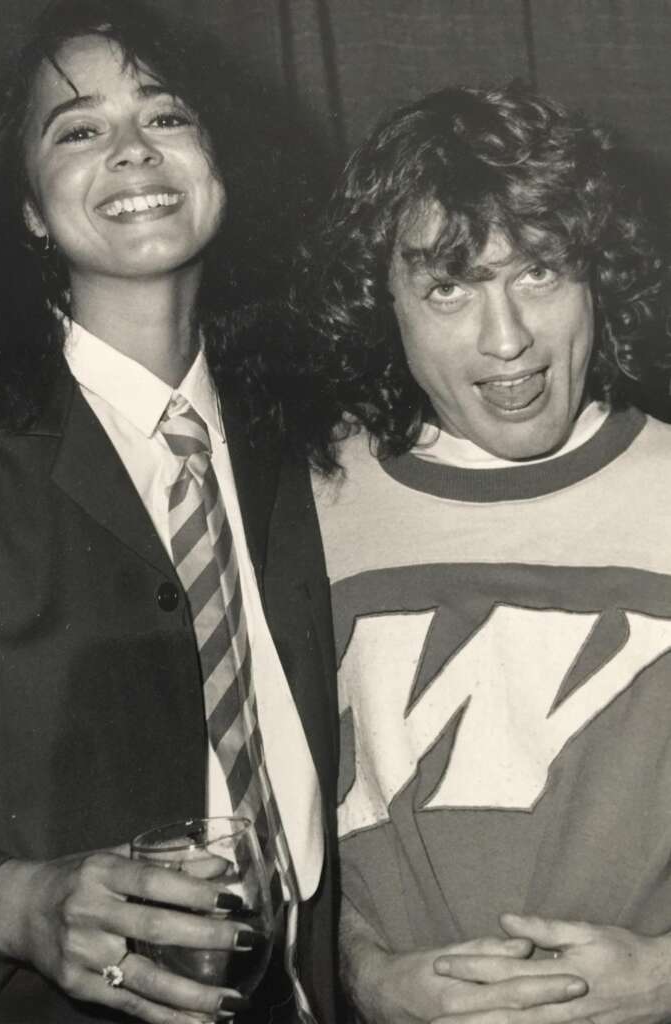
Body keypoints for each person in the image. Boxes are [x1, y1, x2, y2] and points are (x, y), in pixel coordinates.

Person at [0, 3, 338, 1023]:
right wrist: (15, 903)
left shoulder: (309, 448)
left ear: (219, 166)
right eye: (78, 129)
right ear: (26, 208)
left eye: (166, 116)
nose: (131, 152)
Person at [289, 82, 671, 1023]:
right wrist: (362, 976)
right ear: (383, 302)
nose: (507, 342)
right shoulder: (302, 504)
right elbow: (255, 816)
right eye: (449, 287)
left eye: (539, 273)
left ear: (598, 277)